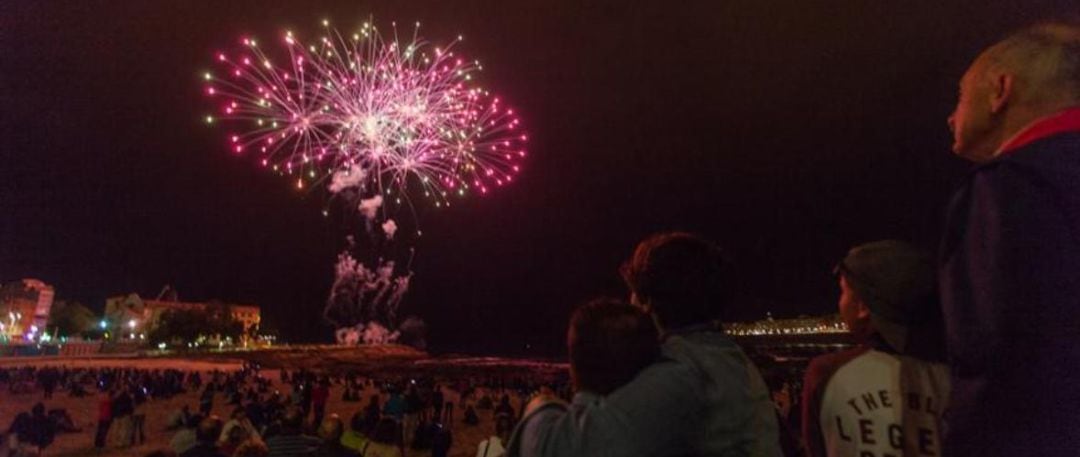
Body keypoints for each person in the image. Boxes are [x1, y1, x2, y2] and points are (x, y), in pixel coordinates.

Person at [510, 233, 781, 457]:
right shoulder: (726, 358)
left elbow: (559, 449)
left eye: (632, 294)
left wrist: (540, 404)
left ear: (646, 302)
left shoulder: (685, 371)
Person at [942, 21, 1080, 456]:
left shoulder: (1010, 186)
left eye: (961, 97)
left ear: (1001, 90)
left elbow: (996, 363)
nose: (951, 116)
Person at [801, 241, 949, 457]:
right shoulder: (954, 373)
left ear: (862, 307)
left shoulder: (827, 373)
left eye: (843, 291)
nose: (840, 302)